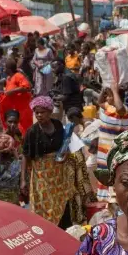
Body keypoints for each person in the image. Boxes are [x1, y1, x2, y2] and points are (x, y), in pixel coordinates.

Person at [20, 96, 75, 228]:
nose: (39, 115)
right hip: (41, 176)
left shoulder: (57, 125)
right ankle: (45, 231)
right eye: (36, 112)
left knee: (59, 202)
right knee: (42, 204)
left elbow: (64, 144)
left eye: (42, 112)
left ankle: (61, 230)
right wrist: (23, 179)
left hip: (58, 173)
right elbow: (25, 156)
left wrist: (65, 154)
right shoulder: (32, 132)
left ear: (50, 112)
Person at [95, 83, 128, 208]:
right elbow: (99, 102)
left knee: (113, 174)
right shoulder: (108, 108)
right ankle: (106, 202)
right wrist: (104, 90)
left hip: (115, 153)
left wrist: (114, 91)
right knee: (105, 174)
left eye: (109, 96)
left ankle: (114, 201)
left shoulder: (123, 110)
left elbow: (120, 107)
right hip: (104, 153)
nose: (107, 98)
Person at [0, 58, 33, 137]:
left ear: (9, 69)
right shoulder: (9, 78)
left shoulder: (18, 76)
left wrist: (12, 91)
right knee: (16, 131)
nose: (3, 69)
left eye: (5, 67)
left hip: (23, 109)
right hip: (16, 110)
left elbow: (27, 87)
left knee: (25, 130)